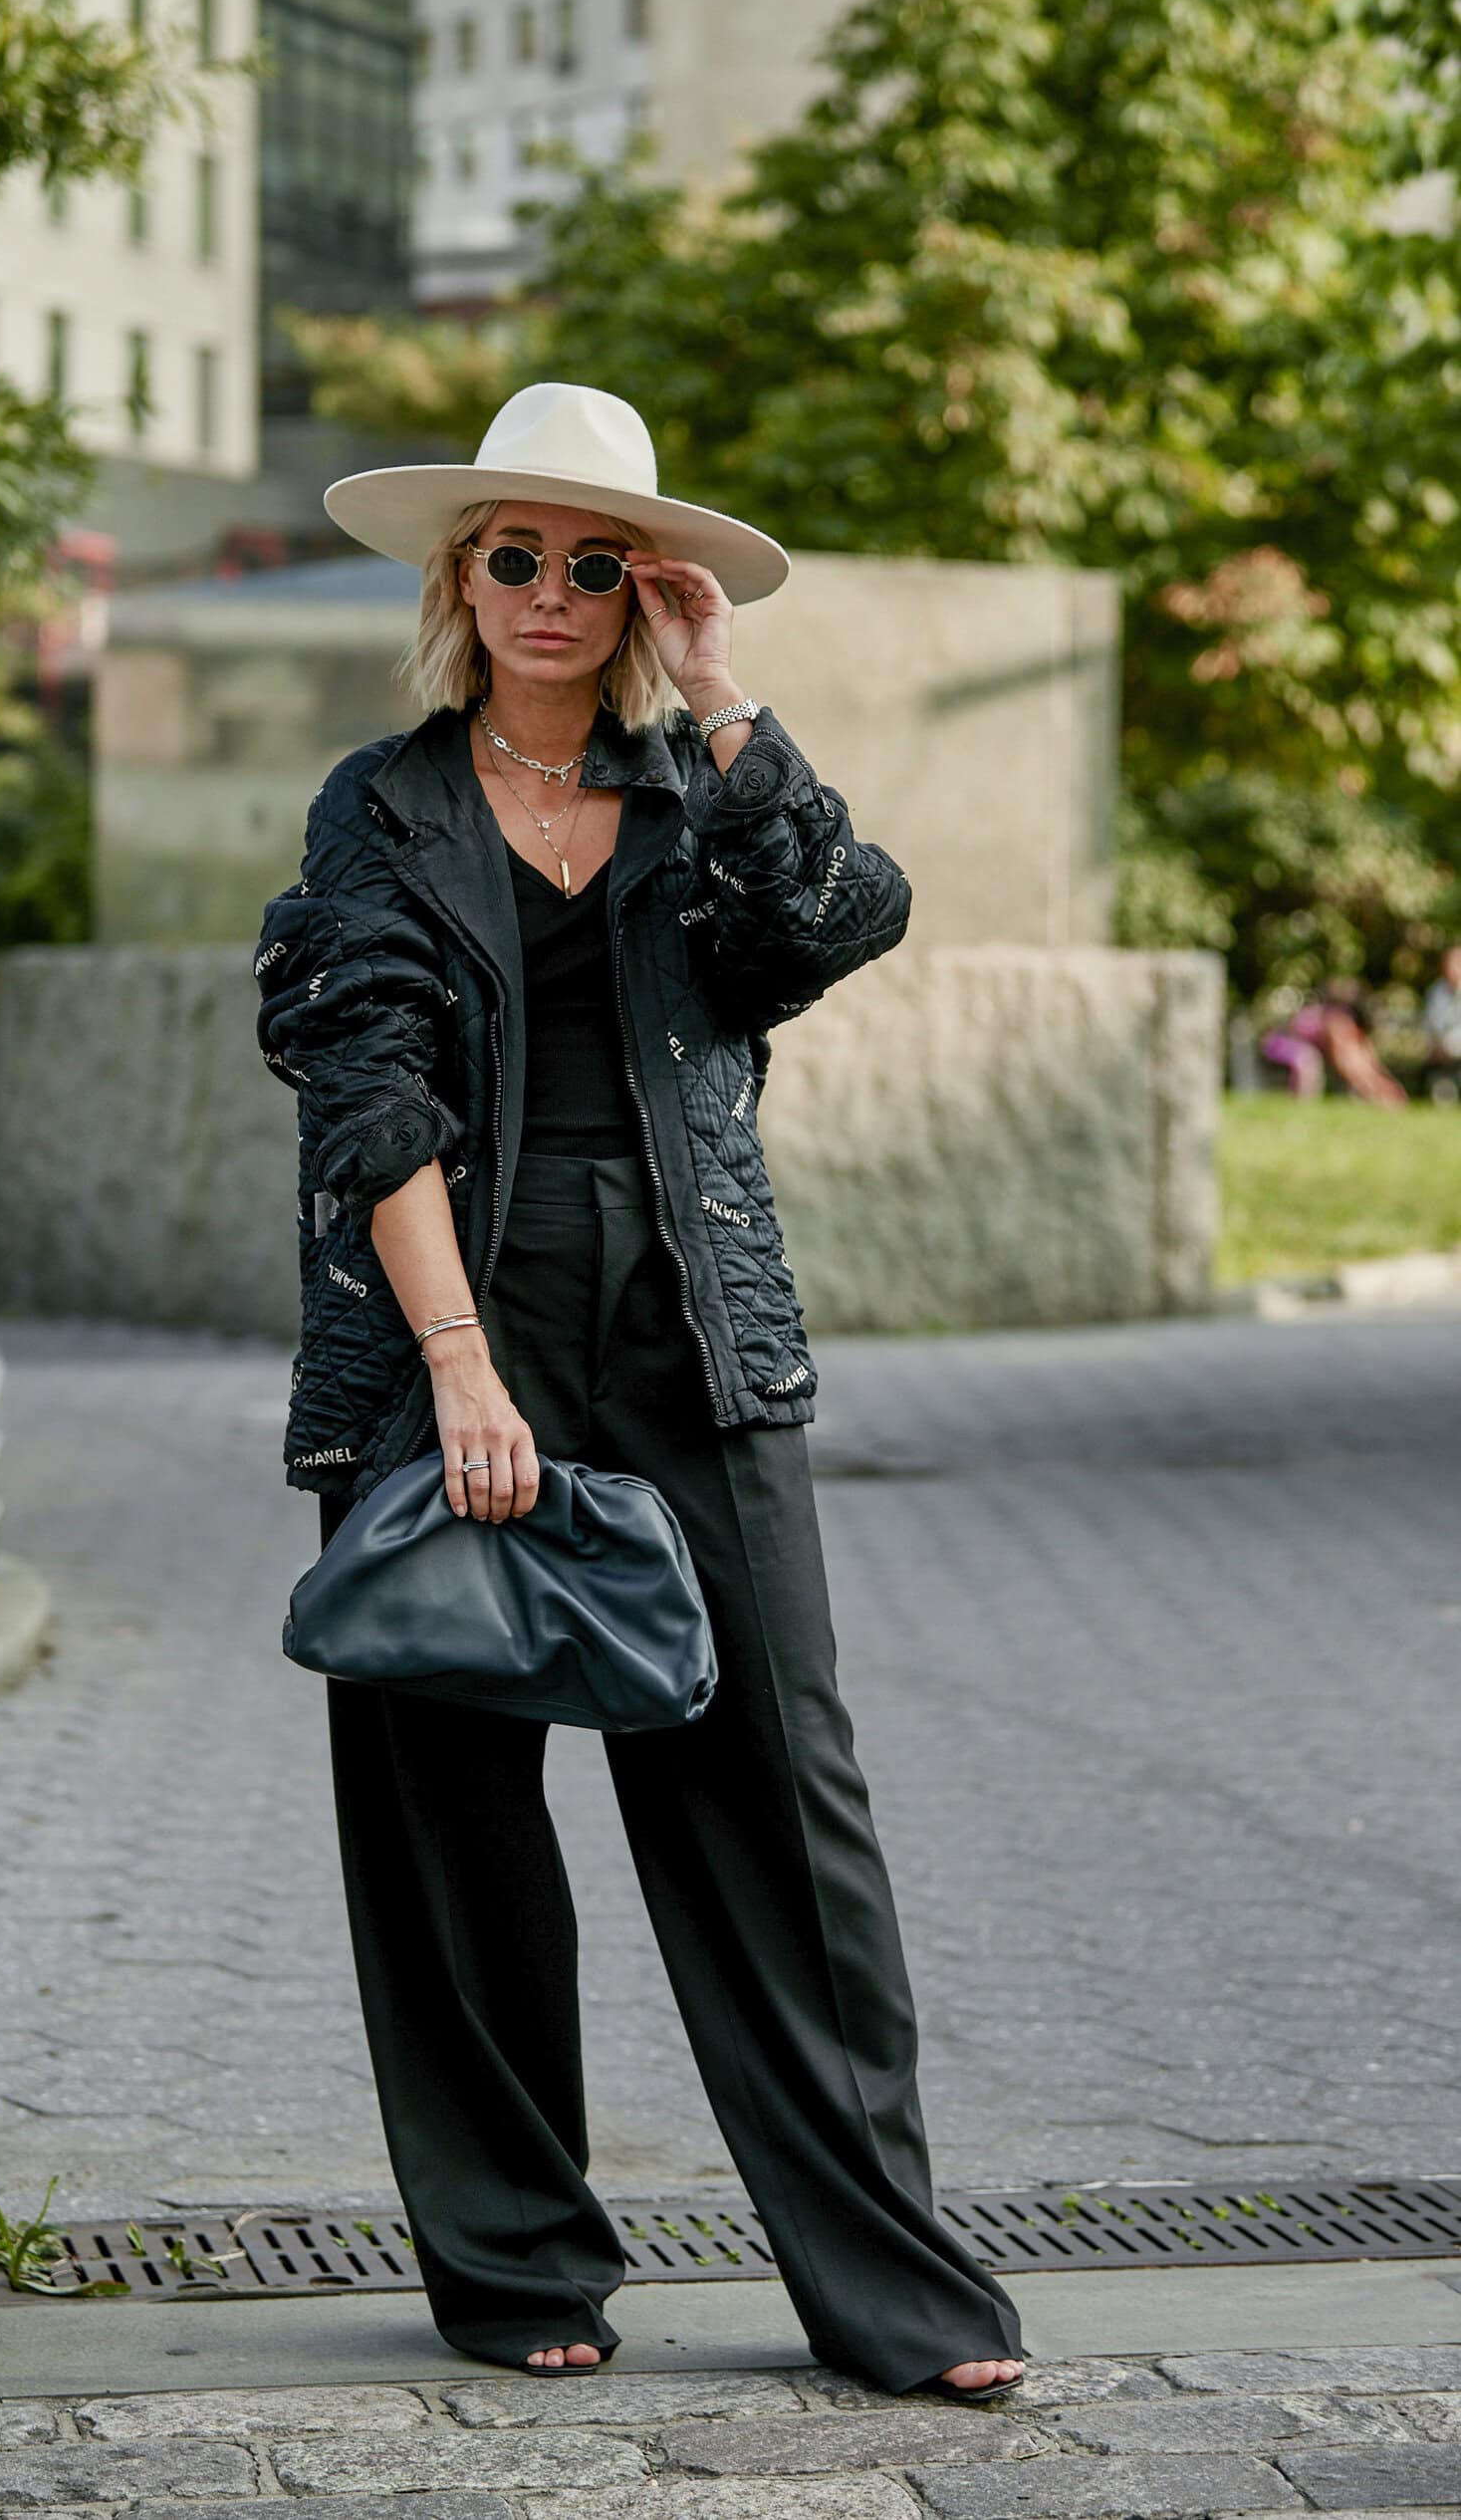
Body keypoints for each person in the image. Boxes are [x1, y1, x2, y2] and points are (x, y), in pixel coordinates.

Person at [251, 380, 1024, 2399]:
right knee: (450, 1815)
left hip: (698, 1324)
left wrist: (724, 687)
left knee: (780, 1803)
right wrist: (455, 1366)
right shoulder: (381, 809)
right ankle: (517, 2264)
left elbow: (842, 920)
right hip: (450, 1325)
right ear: (462, 577)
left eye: (597, 563)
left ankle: (899, 2293)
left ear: (638, 591)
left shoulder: (700, 799)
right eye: (515, 553)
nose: (551, 590)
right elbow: (365, 1091)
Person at [1259, 977, 1407, 1107]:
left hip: (1296, 1045)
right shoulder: (1334, 1022)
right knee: (1307, 1058)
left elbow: (1366, 1063)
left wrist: (1381, 1083)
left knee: (1309, 1056)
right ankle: (1301, 1102)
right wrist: (1369, 1089)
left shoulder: (1347, 1026)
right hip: (1279, 1043)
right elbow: (1345, 1064)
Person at [1423, 943, 1461, 1105]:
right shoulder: (1435, 991)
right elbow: (1431, 1026)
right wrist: (1434, 1046)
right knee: (1443, 1098)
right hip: (1443, 1057)